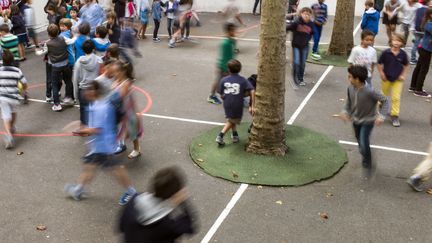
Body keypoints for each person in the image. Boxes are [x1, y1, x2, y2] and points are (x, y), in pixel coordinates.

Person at [64, 80, 137, 206]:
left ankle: (132, 192)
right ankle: (78, 190)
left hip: (104, 147)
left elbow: (96, 129)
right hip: (98, 145)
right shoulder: (94, 105)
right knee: (90, 166)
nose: (85, 92)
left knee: (116, 169)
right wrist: (83, 129)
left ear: (94, 92)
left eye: (88, 89)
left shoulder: (99, 107)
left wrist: (79, 130)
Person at [119, 166, 198, 242]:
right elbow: (190, 227)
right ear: (174, 195)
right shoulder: (170, 225)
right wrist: (183, 203)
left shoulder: (134, 200)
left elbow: (121, 227)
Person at [339, 65, 388, 172]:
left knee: (363, 142)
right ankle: (365, 152)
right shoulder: (350, 88)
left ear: (357, 79)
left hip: (368, 121)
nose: (349, 78)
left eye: (350, 77)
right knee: (360, 142)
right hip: (356, 121)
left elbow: (385, 101)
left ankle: (368, 162)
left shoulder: (370, 91)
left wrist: (382, 116)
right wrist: (345, 111)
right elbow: (349, 103)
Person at [216, 59, 255, 146]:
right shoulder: (243, 80)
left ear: (228, 69)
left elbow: (221, 93)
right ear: (240, 69)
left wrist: (225, 98)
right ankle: (220, 135)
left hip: (227, 103)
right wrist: (252, 105)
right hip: (237, 103)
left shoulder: (224, 80)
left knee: (231, 118)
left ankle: (235, 135)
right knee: (232, 120)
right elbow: (252, 90)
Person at [35, 24, 74, 111]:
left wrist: (37, 51)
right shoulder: (63, 38)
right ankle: (70, 98)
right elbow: (71, 41)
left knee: (55, 85)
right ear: (58, 32)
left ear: (48, 34)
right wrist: (77, 36)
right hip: (65, 64)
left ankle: (57, 104)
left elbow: (42, 53)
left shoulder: (47, 43)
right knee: (68, 81)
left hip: (55, 66)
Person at [111, 61, 143, 159]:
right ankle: (121, 142)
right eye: (113, 72)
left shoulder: (126, 83)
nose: (114, 74)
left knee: (132, 131)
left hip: (128, 111)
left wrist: (112, 91)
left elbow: (120, 97)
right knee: (122, 129)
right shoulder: (117, 81)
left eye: (116, 72)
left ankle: (137, 149)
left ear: (122, 71)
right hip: (121, 111)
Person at [377, 33, 409, 127]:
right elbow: (379, 64)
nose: (396, 42)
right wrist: (382, 73)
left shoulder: (403, 54)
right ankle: (381, 107)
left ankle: (394, 115)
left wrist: (403, 75)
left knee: (396, 97)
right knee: (383, 96)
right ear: (391, 41)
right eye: (394, 40)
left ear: (402, 43)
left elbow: (406, 65)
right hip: (386, 78)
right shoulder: (385, 53)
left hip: (397, 79)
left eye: (399, 41)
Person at [0, 50, 27, 149]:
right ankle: (11, 127)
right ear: (12, 60)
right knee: (13, 112)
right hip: (14, 96)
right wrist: (24, 91)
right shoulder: (17, 71)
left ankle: (8, 134)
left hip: (2, 96)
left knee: (6, 115)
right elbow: (24, 83)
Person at [73, 39, 103, 125]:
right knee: (95, 108)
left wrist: (75, 95)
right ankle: (95, 125)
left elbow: (75, 79)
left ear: (82, 50)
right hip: (95, 88)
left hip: (83, 89)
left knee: (83, 110)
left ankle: (85, 127)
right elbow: (102, 76)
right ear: (93, 49)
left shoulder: (79, 62)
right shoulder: (99, 60)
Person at [207, 23, 236, 105]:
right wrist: (226, 69)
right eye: (233, 30)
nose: (235, 32)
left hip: (228, 66)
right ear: (229, 31)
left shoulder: (230, 41)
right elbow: (225, 57)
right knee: (219, 81)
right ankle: (211, 96)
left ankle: (228, 96)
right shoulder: (226, 43)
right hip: (224, 67)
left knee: (226, 82)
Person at [286, 7, 314, 89]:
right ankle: (295, 79)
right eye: (305, 14)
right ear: (301, 14)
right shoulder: (296, 22)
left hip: (305, 46)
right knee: (297, 62)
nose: (306, 16)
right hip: (296, 46)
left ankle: (300, 78)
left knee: (302, 63)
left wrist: (308, 39)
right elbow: (288, 28)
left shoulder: (311, 24)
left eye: (308, 14)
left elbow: (312, 33)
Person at [410, 8, 432, 98]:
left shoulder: (427, 22)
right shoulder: (429, 24)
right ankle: (418, 90)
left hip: (423, 48)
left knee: (419, 67)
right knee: (424, 69)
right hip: (426, 50)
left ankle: (413, 86)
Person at [411, 0, 432, 64]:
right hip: (425, 31)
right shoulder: (429, 10)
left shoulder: (418, 9)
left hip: (417, 29)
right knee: (424, 45)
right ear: (428, 2)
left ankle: (413, 59)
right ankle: (421, 58)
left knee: (415, 45)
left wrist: (413, 28)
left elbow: (414, 19)